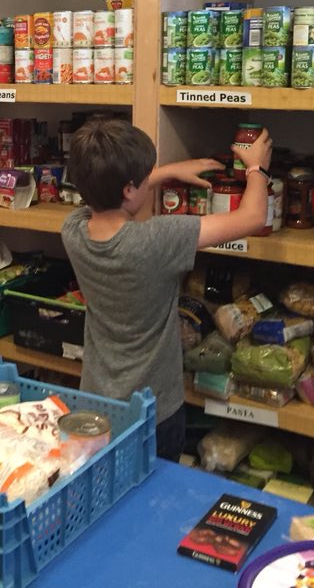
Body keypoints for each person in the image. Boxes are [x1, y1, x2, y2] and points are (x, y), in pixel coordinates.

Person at [60, 118, 273, 461]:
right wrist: (257, 169)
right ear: (130, 189)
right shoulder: (157, 239)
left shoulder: (72, 231)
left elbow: (101, 196)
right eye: (146, 178)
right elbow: (251, 218)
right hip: (154, 412)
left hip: (96, 406)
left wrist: (164, 172)